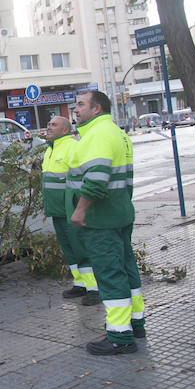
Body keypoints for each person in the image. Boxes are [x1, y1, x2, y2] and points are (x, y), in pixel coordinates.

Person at [67, 91, 146, 355]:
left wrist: (79, 211)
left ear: (97, 108)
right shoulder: (117, 133)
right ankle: (136, 323)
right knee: (126, 269)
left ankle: (119, 336)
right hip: (120, 213)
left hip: (101, 219)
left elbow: (97, 180)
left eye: (80, 105)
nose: (75, 109)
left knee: (110, 274)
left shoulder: (98, 134)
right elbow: (127, 179)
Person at [41, 116, 99, 305]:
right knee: (69, 249)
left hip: (71, 209)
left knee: (81, 248)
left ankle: (94, 288)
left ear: (65, 130)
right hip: (57, 211)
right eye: (49, 124)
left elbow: (83, 179)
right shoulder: (50, 150)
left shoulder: (72, 146)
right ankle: (80, 283)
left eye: (54, 124)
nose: (49, 127)